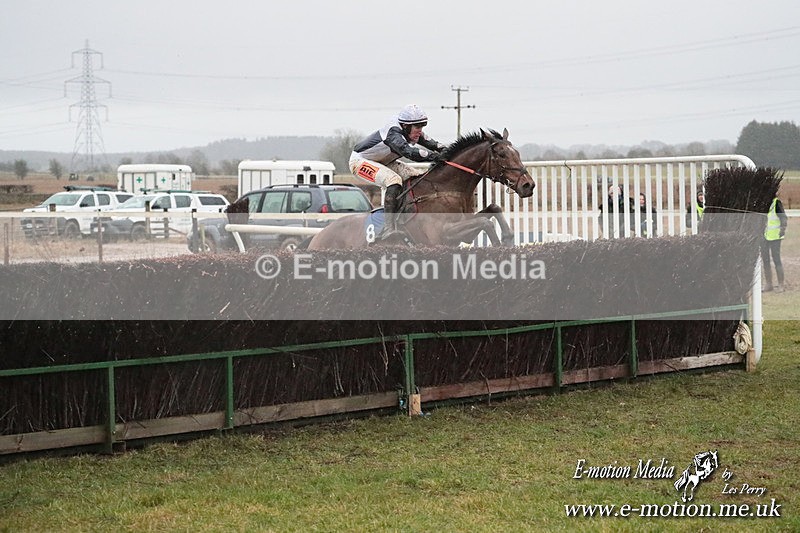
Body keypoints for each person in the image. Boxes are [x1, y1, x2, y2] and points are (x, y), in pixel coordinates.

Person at [349, 104, 447, 239]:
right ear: (406, 126)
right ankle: (388, 228)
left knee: (417, 177)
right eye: (417, 127)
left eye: (422, 127)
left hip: (383, 161)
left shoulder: (408, 128)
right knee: (393, 181)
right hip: (360, 162)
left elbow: (432, 144)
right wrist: (434, 157)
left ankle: (405, 213)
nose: (420, 131)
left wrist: (448, 150)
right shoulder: (393, 133)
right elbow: (410, 153)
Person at [761, 196, 788, 292]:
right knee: (765, 260)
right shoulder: (762, 202)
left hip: (776, 236)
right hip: (764, 235)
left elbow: (783, 217)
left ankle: (781, 285)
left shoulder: (776, 203)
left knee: (776, 259)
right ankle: (769, 284)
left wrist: (783, 228)